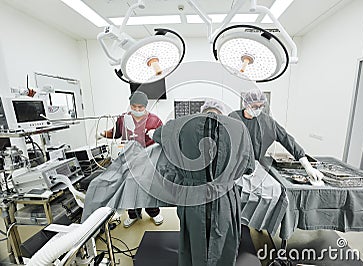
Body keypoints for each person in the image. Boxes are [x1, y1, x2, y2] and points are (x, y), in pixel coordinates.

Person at [152, 100, 255, 266]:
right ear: (222, 113)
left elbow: (157, 135)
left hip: (192, 198)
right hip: (225, 198)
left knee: (193, 243)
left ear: (202, 111)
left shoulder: (180, 125)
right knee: (224, 245)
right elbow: (249, 167)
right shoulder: (239, 128)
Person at [229, 89, 324, 184]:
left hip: (255, 167)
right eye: (254, 107)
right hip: (233, 166)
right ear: (246, 104)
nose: (258, 109)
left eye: (261, 106)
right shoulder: (233, 117)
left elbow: (286, 139)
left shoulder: (267, 122)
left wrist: (307, 165)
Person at [101, 91, 164, 227]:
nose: (136, 110)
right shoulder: (123, 119)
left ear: (145, 107)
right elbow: (115, 133)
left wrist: (155, 135)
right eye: (134, 107)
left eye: (140, 107)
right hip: (129, 159)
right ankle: (133, 214)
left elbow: (163, 136)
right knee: (130, 189)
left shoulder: (155, 120)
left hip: (149, 160)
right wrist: (102, 134)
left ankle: (154, 212)